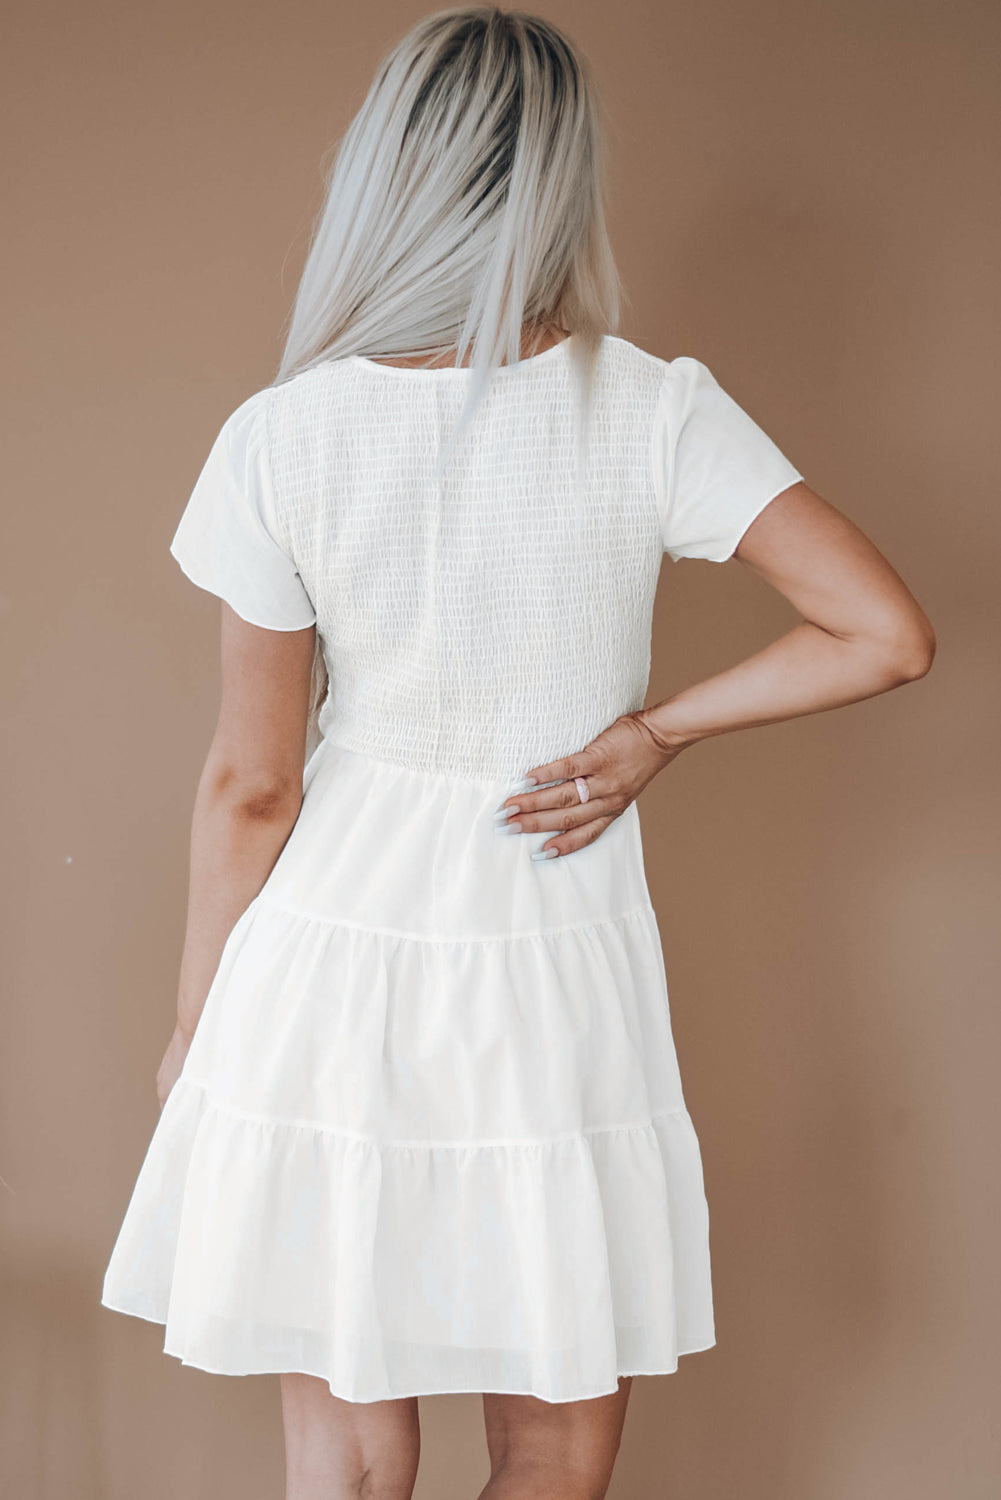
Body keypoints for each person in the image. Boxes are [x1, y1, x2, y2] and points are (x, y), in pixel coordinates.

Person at [100, 7, 936, 1498]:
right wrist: (653, 734)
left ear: (382, 173)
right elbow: (882, 633)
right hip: (554, 959)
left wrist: (194, 1025)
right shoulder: (653, 407)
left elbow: (253, 783)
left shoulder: (283, 437)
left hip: (331, 958)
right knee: (551, 1453)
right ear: (564, 184)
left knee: (346, 1457)